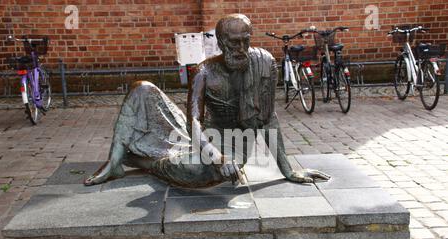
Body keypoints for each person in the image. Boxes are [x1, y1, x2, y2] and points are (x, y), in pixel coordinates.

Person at [84, 14, 329, 188]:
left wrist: (288, 170)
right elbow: (195, 122)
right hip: (205, 139)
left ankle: (139, 160)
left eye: (246, 40)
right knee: (142, 89)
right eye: (235, 42)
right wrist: (215, 155)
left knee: (197, 169)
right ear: (221, 44)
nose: (242, 48)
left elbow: (268, 119)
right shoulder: (204, 72)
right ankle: (115, 161)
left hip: (236, 144)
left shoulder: (263, 64)